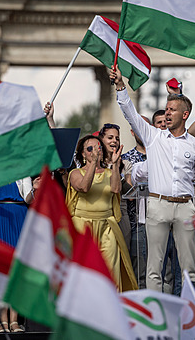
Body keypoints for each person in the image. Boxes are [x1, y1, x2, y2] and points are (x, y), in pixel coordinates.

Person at [110, 64, 195, 292]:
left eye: (172, 109)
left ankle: (189, 317)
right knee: (154, 267)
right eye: (166, 108)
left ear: (185, 115)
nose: (167, 112)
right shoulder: (153, 137)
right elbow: (130, 113)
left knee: (189, 268)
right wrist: (120, 86)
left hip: (185, 207)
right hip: (157, 204)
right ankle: (156, 317)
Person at [66, 134, 137, 291]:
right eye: (90, 149)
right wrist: (92, 164)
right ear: (83, 154)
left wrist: (115, 165)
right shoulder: (75, 173)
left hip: (107, 226)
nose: (95, 152)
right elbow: (84, 187)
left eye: (98, 148)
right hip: (82, 227)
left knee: (111, 271)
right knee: (84, 272)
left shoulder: (109, 172)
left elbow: (116, 189)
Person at [0, 178, 35, 333]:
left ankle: (14, 320)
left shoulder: (23, 169)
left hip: (18, 218)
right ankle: (2, 321)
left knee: (17, 271)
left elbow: (28, 198)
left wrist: (36, 190)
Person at [122, 116, 150, 289]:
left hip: (162, 220)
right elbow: (129, 193)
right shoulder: (126, 158)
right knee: (139, 272)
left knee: (166, 272)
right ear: (132, 132)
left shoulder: (161, 154)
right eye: (138, 127)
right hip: (135, 225)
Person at [98, 123, 131, 250]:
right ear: (101, 140)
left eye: (117, 138)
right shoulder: (94, 163)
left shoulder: (126, 164)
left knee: (122, 254)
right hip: (100, 212)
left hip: (121, 213)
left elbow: (130, 193)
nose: (114, 141)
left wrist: (115, 165)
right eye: (110, 138)